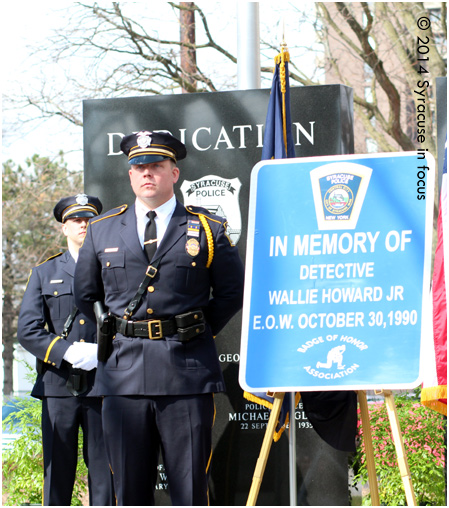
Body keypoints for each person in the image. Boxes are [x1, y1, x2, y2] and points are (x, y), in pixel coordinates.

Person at [74, 130, 245, 505]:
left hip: (185, 372)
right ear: (130, 175)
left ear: (174, 174)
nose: (147, 173)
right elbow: (86, 294)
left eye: (156, 165)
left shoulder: (208, 230)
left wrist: (189, 330)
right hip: (123, 376)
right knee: (131, 490)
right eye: (139, 167)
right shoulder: (102, 229)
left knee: (189, 489)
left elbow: (231, 293)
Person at [17, 194, 115, 506]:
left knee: (105, 473)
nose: (83, 224)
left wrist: (102, 352)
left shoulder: (114, 268)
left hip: (104, 384)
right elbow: (28, 330)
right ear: (64, 228)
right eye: (76, 219)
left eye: (89, 218)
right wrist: (68, 351)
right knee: (57, 473)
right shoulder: (43, 273)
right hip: (60, 385)